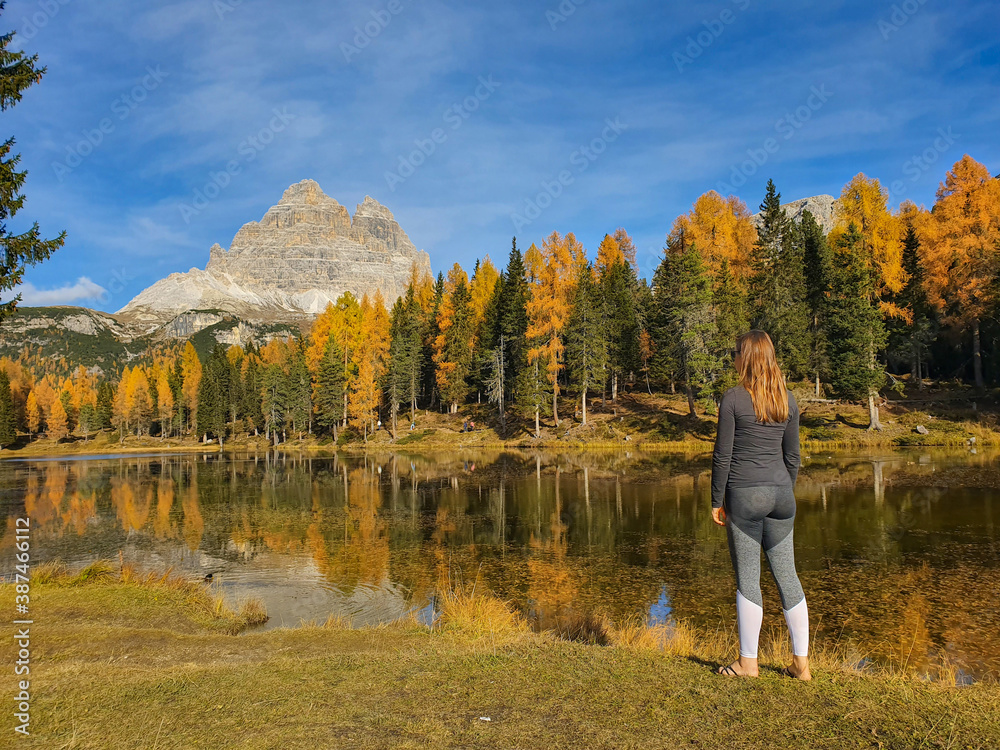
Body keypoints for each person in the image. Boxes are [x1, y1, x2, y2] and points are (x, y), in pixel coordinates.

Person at [711, 330, 810, 681]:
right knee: (788, 577)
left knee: (748, 581)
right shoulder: (788, 399)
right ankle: (801, 665)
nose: (732, 357)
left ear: (747, 358)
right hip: (783, 496)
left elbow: (723, 456)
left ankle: (747, 664)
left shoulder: (734, 399)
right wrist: (784, 491)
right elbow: (793, 456)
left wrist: (716, 501)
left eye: (734, 352)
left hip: (744, 496)